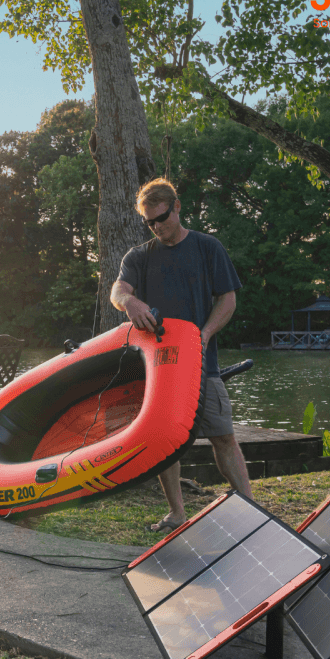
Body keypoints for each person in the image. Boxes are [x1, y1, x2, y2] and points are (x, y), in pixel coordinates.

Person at [110, 177, 253, 533]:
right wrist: (129, 301)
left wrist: (203, 335)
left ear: (177, 208)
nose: (157, 227)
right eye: (149, 222)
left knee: (223, 437)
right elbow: (118, 289)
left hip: (203, 364)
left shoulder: (208, 248)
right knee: (162, 443)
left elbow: (228, 299)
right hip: (157, 369)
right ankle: (177, 513)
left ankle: (251, 510)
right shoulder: (139, 256)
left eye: (161, 217)